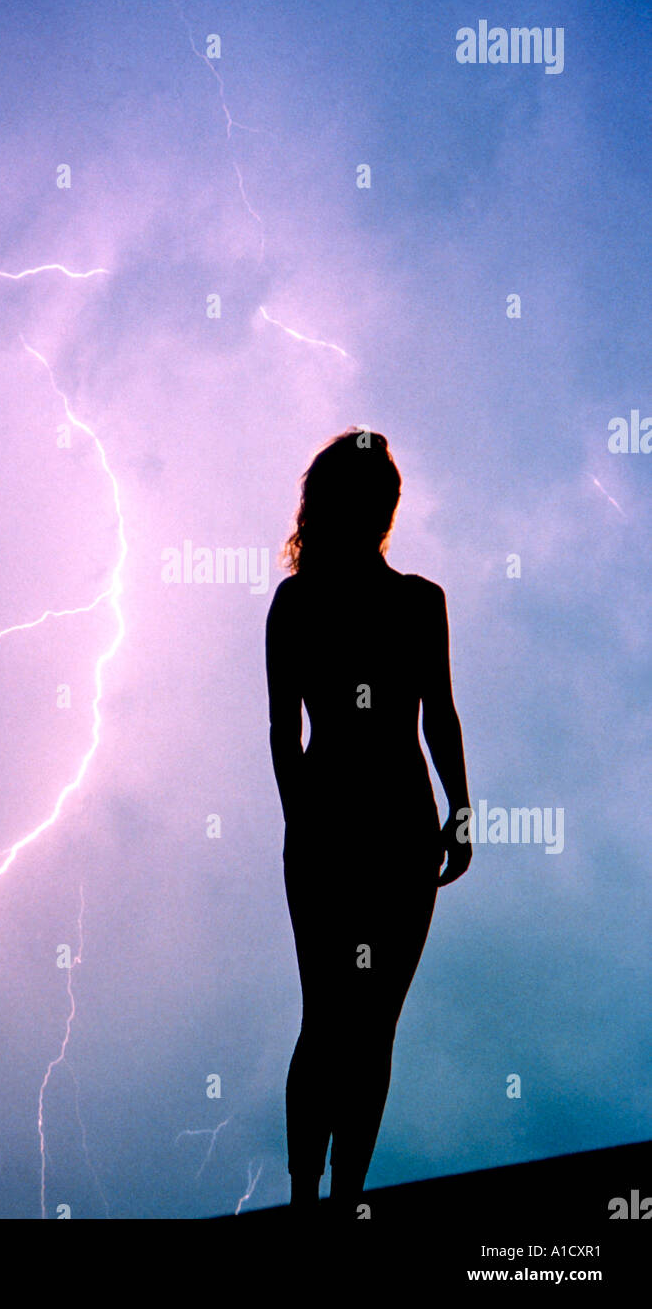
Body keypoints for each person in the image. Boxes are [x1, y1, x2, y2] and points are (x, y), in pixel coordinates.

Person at [265, 427, 472, 1219]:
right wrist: (304, 824)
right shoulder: (304, 601)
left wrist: (459, 809)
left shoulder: (417, 601)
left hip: (388, 829)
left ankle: (334, 1196)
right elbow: (283, 730)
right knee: (337, 1016)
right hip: (350, 825)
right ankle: (308, 1194)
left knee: (363, 1019)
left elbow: (438, 719)